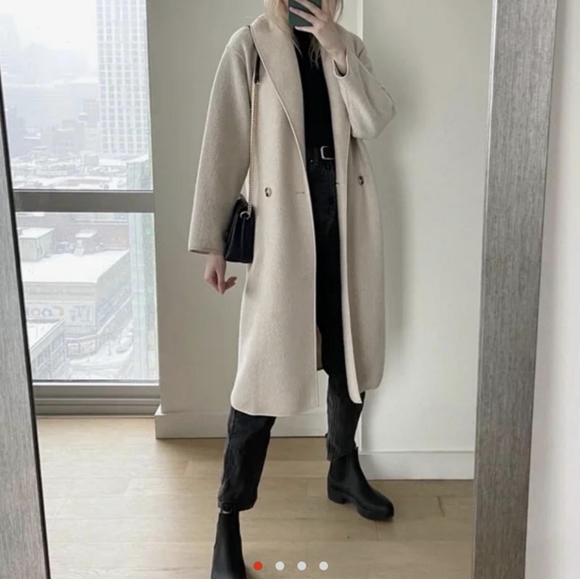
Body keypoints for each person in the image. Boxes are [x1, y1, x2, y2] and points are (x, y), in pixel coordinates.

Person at [188, 1, 397, 577]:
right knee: (260, 380)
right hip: (283, 232)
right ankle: (228, 519)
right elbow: (224, 144)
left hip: (345, 225)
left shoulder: (346, 44)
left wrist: (337, 47)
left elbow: (374, 121)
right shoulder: (249, 47)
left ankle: (343, 469)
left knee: (350, 358)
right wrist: (212, 242)